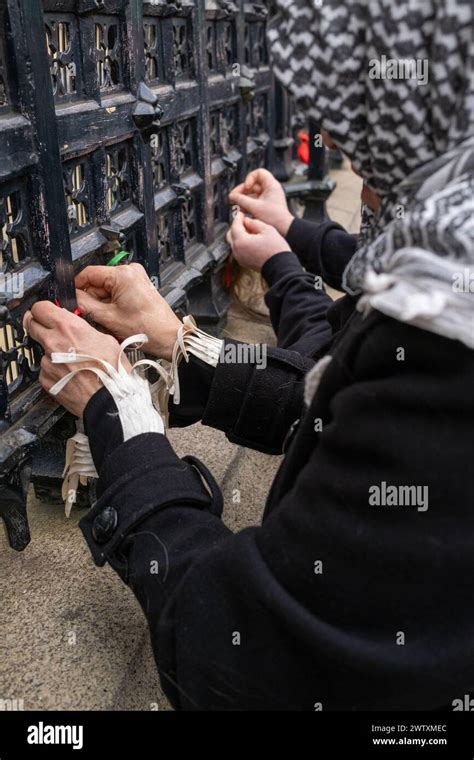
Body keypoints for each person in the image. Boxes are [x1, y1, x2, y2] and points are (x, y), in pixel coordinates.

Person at [24, 0, 473, 709]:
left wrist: (123, 417)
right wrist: (183, 342)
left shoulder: (449, 327)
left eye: (353, 98)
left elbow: (241, 652)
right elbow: (324, 411)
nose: (328, 132)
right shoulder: (448, 248)